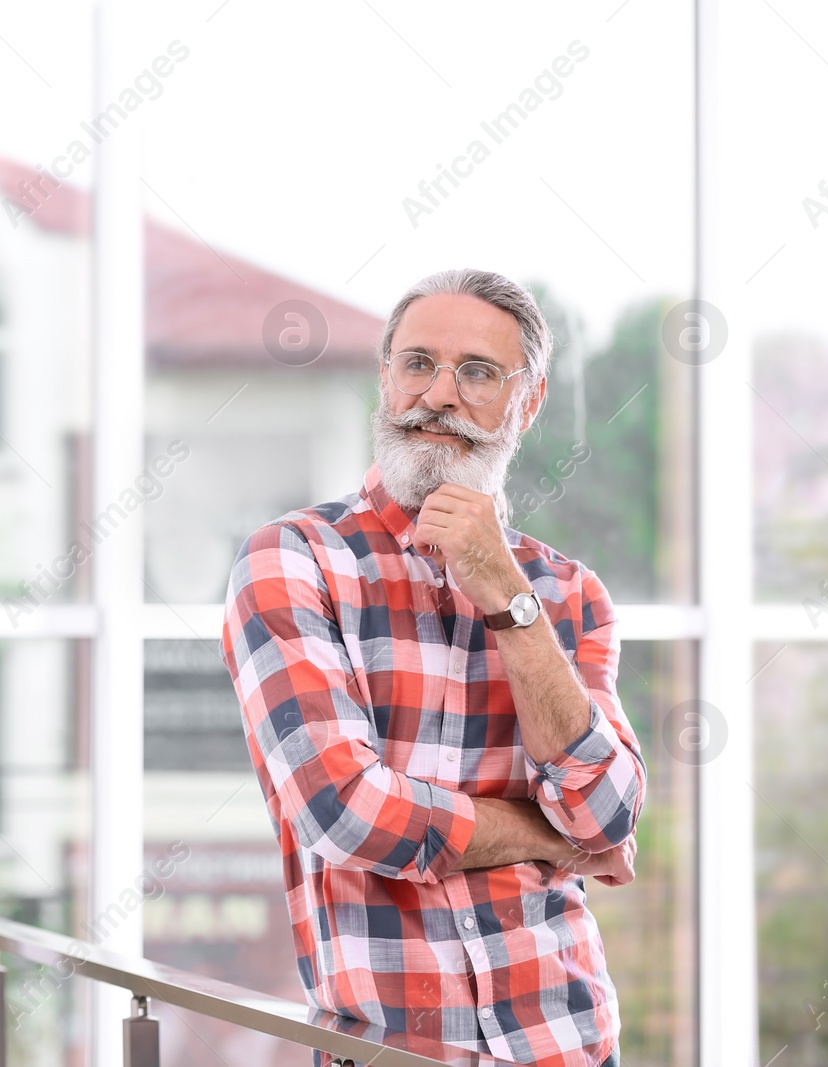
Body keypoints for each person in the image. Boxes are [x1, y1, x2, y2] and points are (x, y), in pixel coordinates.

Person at [220, 269, 644, 1067]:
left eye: (478, 372)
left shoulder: (567, 592)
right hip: (390, 1052)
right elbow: (346, 811)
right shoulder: (295, 561)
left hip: (570, 1043)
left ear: (531, 400)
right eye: (417, 363)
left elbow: (611, 814)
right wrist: (547, 836)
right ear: (384, 380)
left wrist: (507, 598)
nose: (440, 394)